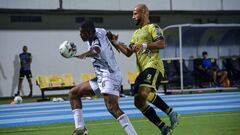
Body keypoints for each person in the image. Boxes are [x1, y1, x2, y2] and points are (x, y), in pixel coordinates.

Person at [107, 4, 180, 135]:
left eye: (135, 13)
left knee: (143, 92)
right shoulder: (135, 34)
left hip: (154, 65)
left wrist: (144, 45)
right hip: (142, 70)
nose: (133, 16)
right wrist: (115, 42)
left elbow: (162, 43)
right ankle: (163, 127)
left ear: (144, 12)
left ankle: (171, 113)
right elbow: (129, 52)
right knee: (138, 102)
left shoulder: (153, 27)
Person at [69, 20, 137, 135]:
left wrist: (84, 54)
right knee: (73, 93)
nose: (81, 35)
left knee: (112, 108)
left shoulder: (96, 40)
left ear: (91, 32)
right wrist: (113, 38)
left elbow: (96, 50)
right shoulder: (100, 31)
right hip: (101, 76)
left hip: (110, 76)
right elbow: (107, 32)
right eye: (80, 33)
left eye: (83, 33)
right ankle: (81, 129)